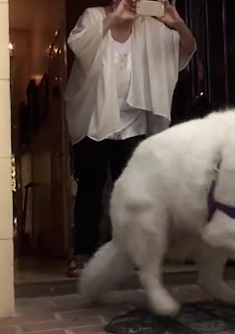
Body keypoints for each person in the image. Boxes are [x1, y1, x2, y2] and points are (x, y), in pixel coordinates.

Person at [64, 0, 196, 277]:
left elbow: (185, 50)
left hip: (132, 123)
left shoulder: (150, 27)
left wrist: (178, 24)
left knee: (130, 191)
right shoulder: (94, 17)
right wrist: (112, 19)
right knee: (91, 187)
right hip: (95, 120)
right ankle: (83, 253)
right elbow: (79, 46)